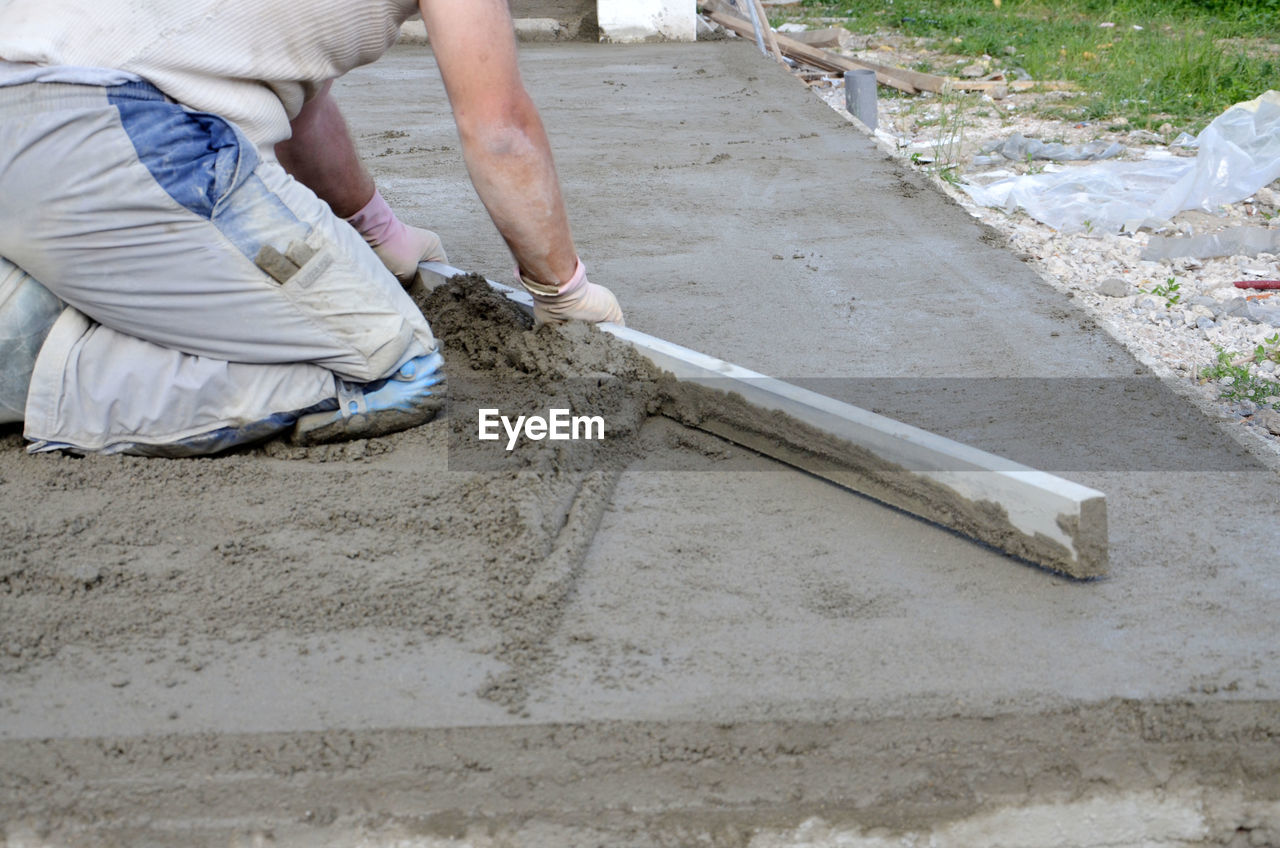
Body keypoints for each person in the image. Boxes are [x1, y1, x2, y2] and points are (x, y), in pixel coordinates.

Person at [0, 0, 623, 456]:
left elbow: (305, 100)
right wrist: (561, 292)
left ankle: (25, 302)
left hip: (30, 113)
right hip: (113, 131)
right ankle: (43, 373)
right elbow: (500, 131)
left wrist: (372, 226)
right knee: (395, 368)